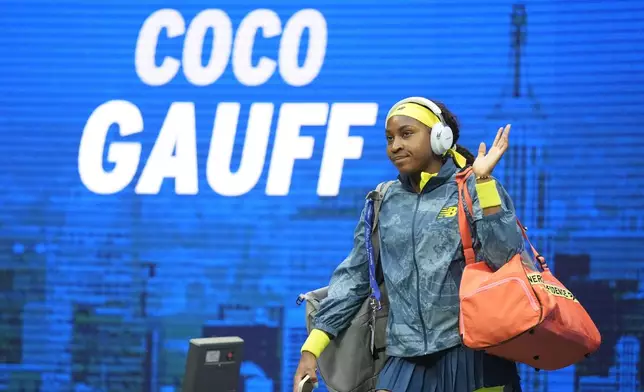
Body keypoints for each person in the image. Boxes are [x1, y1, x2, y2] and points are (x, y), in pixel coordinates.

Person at [293, 97, 525, 392]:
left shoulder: (473, 187)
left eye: (406, 134)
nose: (395, 146)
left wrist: (484, 183)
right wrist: (312, 348)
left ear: (441, 137)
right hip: (404, 358)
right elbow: (355, 278)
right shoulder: (383, 200)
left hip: (475, 355)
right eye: (389, 138)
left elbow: (504, 257)